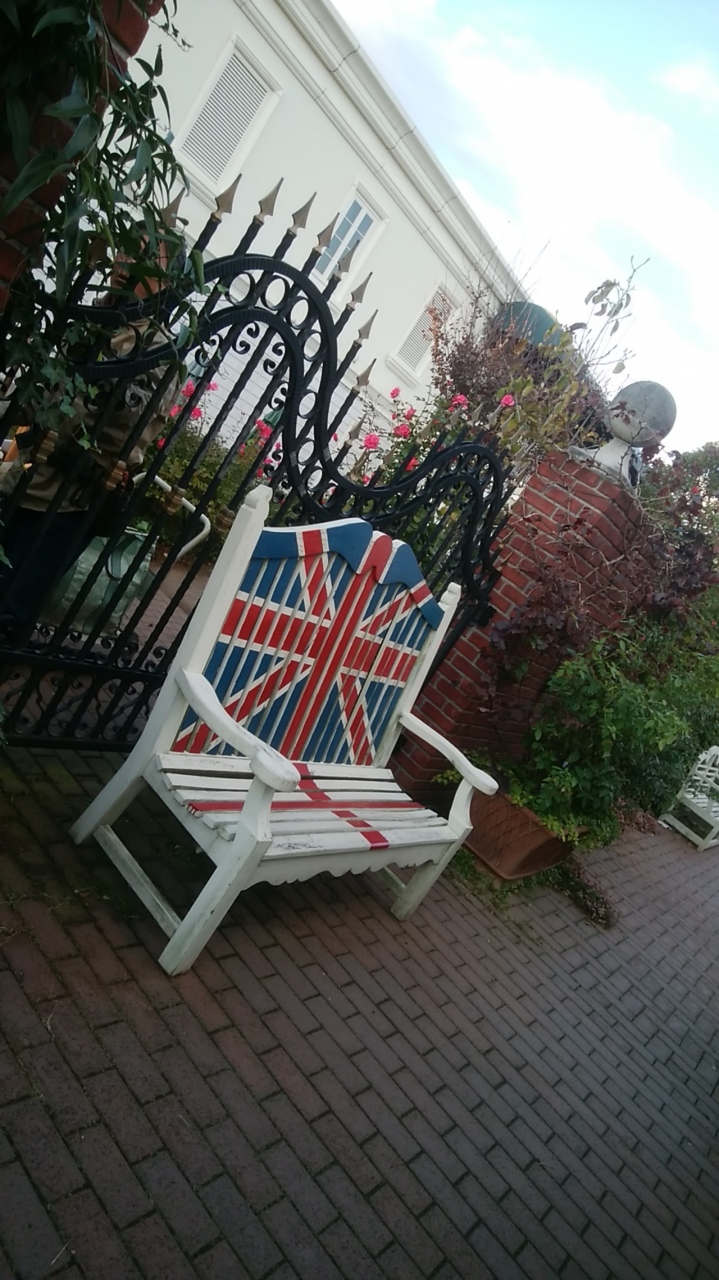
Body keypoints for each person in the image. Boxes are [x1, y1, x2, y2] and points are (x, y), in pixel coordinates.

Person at [0, 237, 184, 634]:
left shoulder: (158, 349)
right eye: (127, 250)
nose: (127, 261)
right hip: (23, 473)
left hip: (69, 498)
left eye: (146, 257)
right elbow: (37, 393)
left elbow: (120, 425)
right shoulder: (89, 316)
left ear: (167, 280)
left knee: (10, 608)